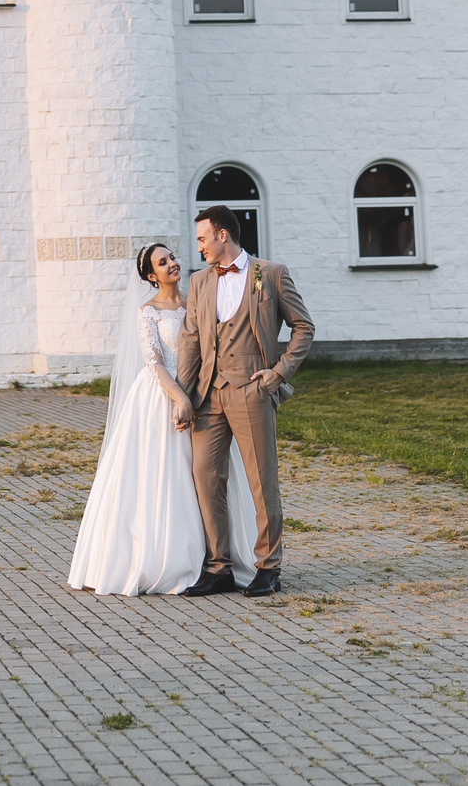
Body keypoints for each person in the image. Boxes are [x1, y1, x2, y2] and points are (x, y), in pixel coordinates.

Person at [176, 205, 314, 597]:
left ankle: (269, 567)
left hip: (252, 390)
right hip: (208, 394)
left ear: (223, 235)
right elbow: (190, 341)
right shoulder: (200, 281)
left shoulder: (269, 274)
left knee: (260, 481)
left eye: (203, 238)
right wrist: (185, 397)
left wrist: (279, 371)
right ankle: (219, 566)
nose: (198, 246)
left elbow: (304, 326)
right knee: (205, 478)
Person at [66, 243, 214, 595]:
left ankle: (216, 556)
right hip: (160, 397)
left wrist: (196, 395)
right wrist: (180, 399)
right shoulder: (148, 311)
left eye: (173, 257)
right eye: (163, 263)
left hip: (200, 392)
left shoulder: (196, 303)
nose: (172, 264)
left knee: (204, 470)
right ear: (151, 275)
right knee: (164, 473)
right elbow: (155, 362)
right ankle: (163, 557)